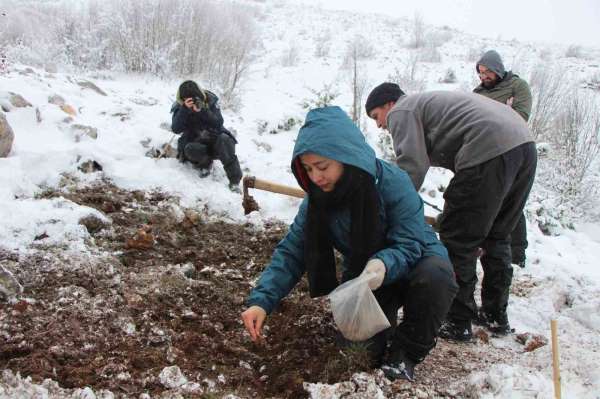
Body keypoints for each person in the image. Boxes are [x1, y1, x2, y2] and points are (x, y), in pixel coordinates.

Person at [241, 106, 457, 382]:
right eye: (308, 169)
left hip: (416, 260)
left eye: (322, 167)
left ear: (346, 157)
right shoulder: (317, 200)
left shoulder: (393, 183)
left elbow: (411, 241)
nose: (316, 177)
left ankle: (406, 354)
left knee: (436, 277)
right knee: (360, 354)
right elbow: (292, 251)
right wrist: (261, 301)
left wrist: (384, 263)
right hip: (367, 277)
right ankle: (382, 335)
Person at [365, 83, 537, 342]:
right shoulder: (430, 104)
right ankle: (495, 316)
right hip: (523, 146)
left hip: (489, 149)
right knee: (496, 237)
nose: (379, 125)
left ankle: (458, 322)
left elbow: (412, 166)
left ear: (389, 104)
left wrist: (392, 208)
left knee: (457, 241)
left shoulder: (402, 110)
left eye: (376, 116)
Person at [474, 49, 533, 269]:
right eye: (480, 73)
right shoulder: (477, 93)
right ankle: (488, 247)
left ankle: (518, 253)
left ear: (497, 69)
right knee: (489, 200)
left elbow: (520, 117)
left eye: (487, 72)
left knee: (512, 200)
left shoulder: (518, 86)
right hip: (484, 153)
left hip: (512, 149)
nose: (483, 77)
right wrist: (503, 109)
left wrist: (498, 116)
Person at [171, 80, 242, 192]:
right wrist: (184, 110)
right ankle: (205, 165)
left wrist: (203, 111)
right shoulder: (180, 107)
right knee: (191, 149)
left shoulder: (210, 100)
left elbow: (219, 123)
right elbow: (176, 129)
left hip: (214, 139)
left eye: (195, 98)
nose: (193, 101)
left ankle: (234, 181)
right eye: (188, 99)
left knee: (225, 140)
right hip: (195, 141)